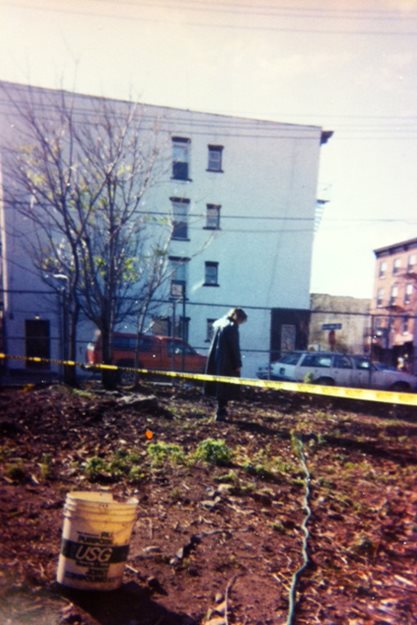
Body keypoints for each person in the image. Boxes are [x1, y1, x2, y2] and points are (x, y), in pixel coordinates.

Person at [204, 307, 248, 421]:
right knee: (227, 386)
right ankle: (221, 411)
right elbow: (234, 347)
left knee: (219, 386)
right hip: (227, 361)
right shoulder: (232, 327)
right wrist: (238, 363)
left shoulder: (219, 323)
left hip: (216, 358)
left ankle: (220, 410)